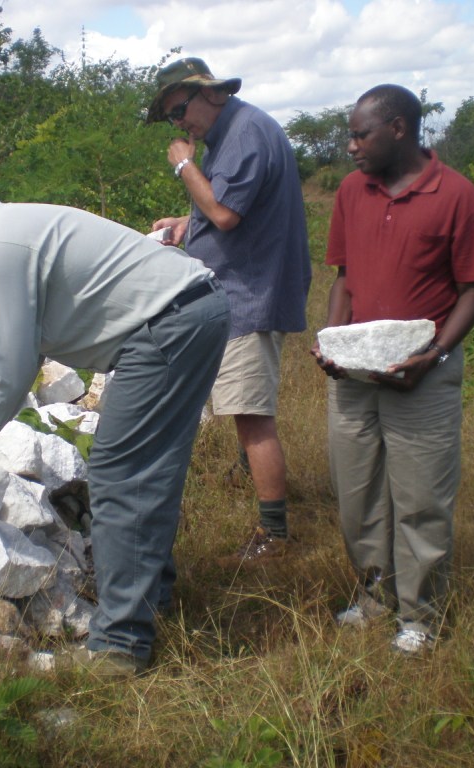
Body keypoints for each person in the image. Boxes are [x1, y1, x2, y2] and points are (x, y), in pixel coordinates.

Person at [0, 172, 230, 675]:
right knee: (142, 473)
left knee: (121, 476)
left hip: (168, 324)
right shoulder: (2, 228)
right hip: (186, 313)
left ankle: (120, 646)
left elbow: (12, 370)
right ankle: (151, 602)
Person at [311, 85, 474, 654]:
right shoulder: (351, 190)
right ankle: (374, 596)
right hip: (356, 376)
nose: (351, 146)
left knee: (420, 499)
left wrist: (434, 353)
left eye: (360, 134)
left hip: (422, 373)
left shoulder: (457, 196)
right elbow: (344, 277)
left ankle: (419, 616)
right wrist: (333, 344)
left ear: (398, 128)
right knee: (358, 491)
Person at [146, 57, 311, 563]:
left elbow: (224, 212)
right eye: (172, 117)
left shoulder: (245, 133)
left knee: (250, 414)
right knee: (240, 405)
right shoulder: (232, 134)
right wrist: (184, 221)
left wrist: (182, 165)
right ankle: (251, 478)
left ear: (209, 93)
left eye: (180, 109)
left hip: (250, 293)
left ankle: (274, 535)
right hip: (236, 289)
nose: (179, 124)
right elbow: (217, 208)